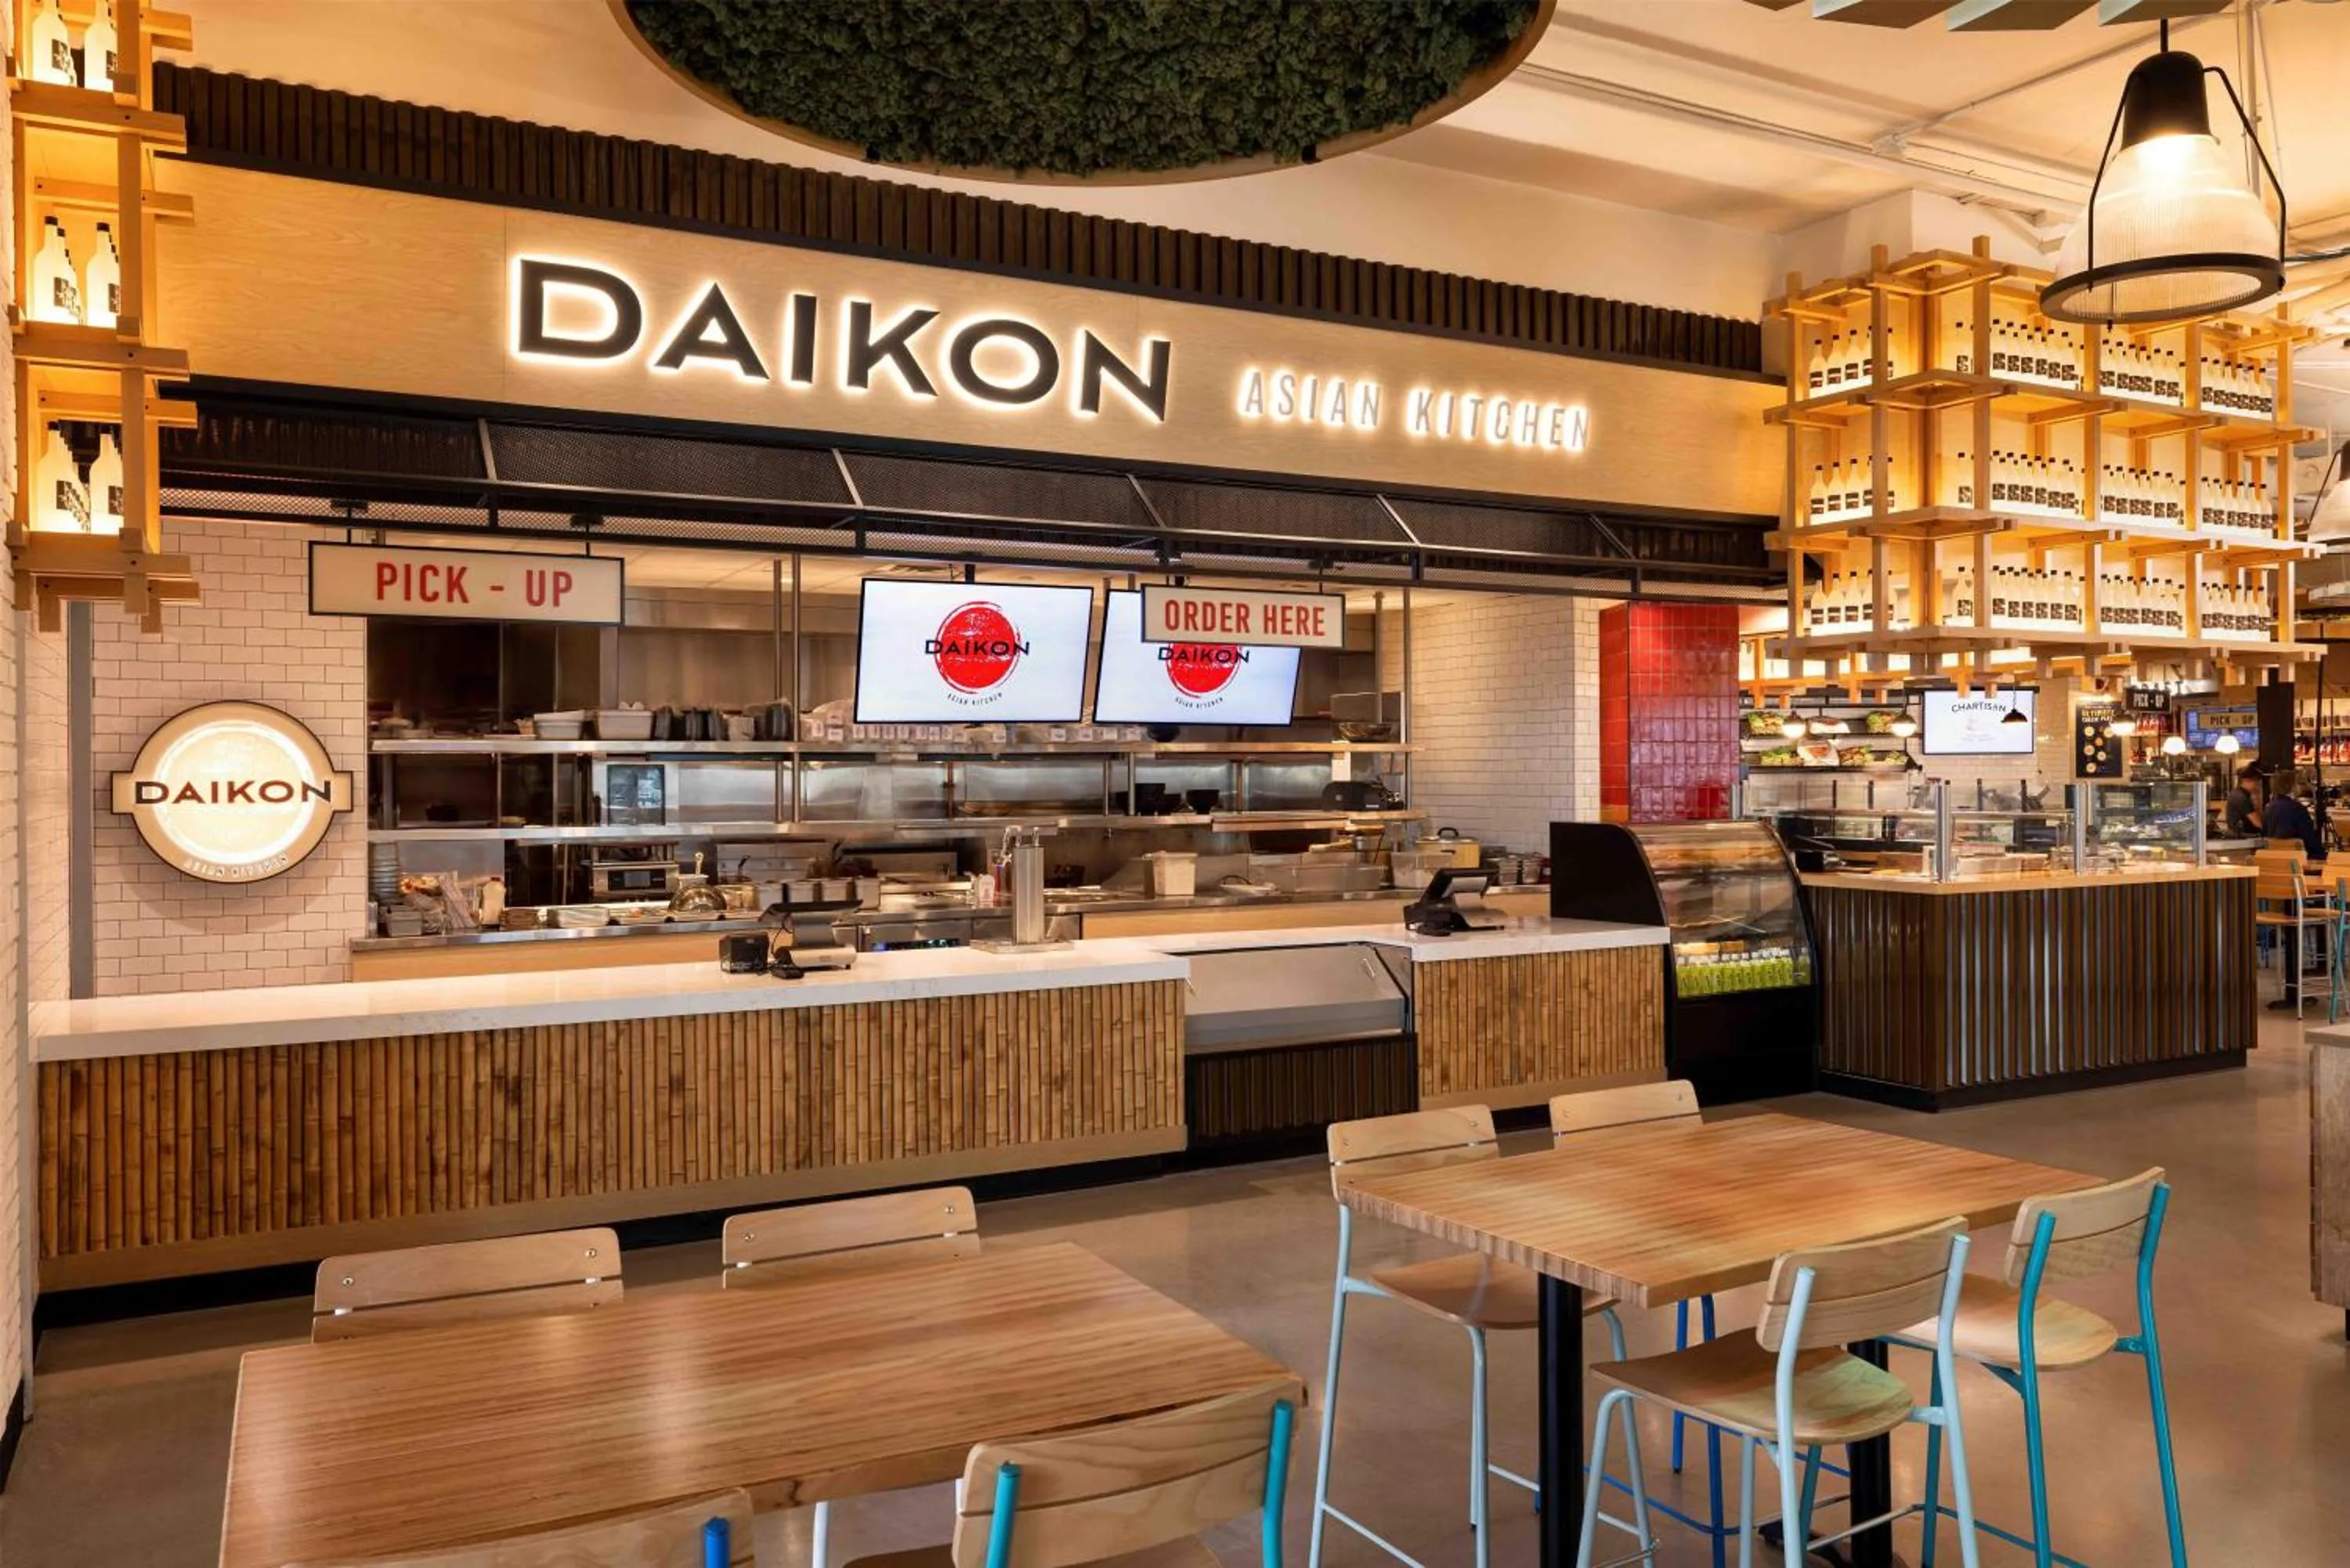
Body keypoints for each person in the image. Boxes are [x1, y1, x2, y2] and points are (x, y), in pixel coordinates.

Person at [2263, 768, 2326, 1012]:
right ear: (2292, 787)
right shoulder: (2297, 810)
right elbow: (2310, 844)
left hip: (2279, 880)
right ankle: (2323, 958)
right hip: (2301, 878)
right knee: (2326, 896)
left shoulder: (2270, 809)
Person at [2226, 764, 2265, 838]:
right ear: (2246, 780)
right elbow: (2258, 823)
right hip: (2244, 837)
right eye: (2255, 780)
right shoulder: (2242, 797)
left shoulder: (2238, 793)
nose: (2257, 784)